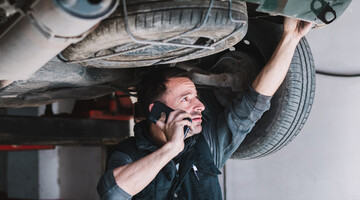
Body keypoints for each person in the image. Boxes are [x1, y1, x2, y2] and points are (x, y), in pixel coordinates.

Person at [97, 18, 312, 199]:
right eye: (186, 99)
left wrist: (291, 38)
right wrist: (171, 148)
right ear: (158, 111)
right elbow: (113, 193)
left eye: (196, 97)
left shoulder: (206, 144)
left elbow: (254, 102)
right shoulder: (128, 153)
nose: (200, 106)